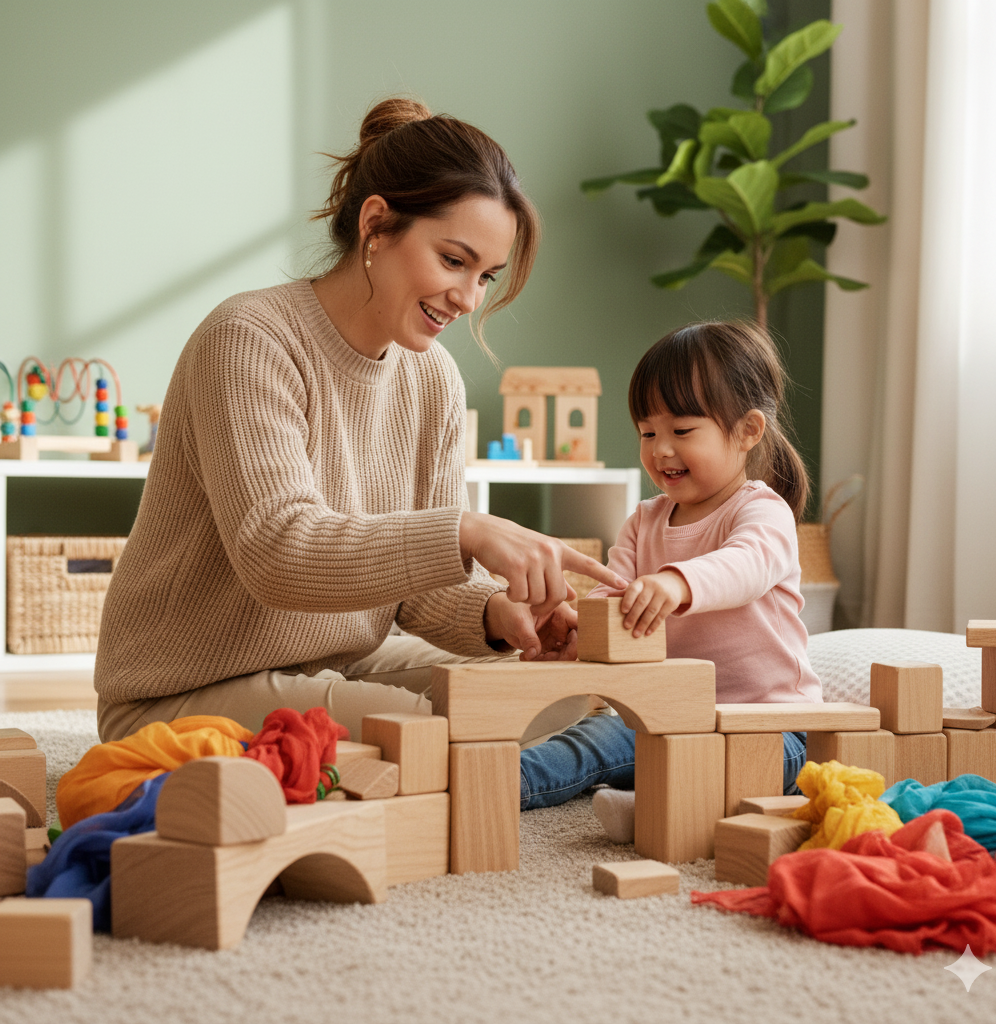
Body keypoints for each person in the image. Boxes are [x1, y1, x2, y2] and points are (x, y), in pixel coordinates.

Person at [94, 97, 626, 744]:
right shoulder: (249, 339)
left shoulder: (433, 381)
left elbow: (417, 592)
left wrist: (499, 615)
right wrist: (464, 531)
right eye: (454, 261)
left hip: (335, 665)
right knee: (429, 735)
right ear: (377, 224)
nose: (468, 298)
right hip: (179, 691)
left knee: (556, 698)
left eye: (486, 275)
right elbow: (277, 553)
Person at [518, 321, 823, 838]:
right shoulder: (644, 520)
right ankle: (500, 780)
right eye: (647, 432)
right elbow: (614, 600)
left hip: (769, 726)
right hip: (664, 714)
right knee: (591, 738)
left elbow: (745, 567)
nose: (660, 450)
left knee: (721, 769)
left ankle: (656, 806)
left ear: (748, 431)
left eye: (681, 431)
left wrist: (677, 583)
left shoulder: (762, 512)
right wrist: (580, 633)